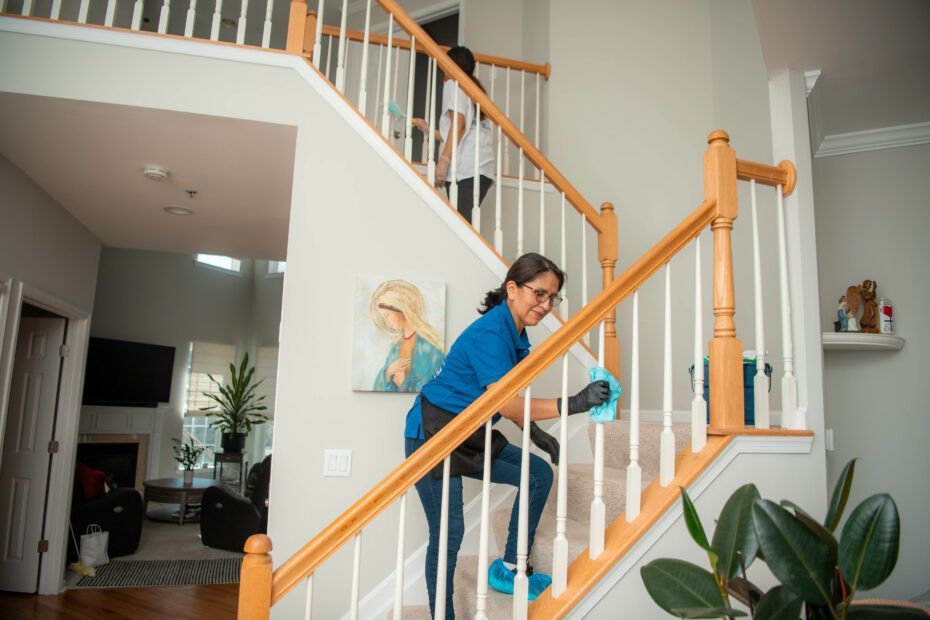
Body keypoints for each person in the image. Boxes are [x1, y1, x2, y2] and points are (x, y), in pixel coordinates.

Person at [403, 253, 610, 618]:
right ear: (512, 289)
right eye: (539, 293)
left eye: (553, 297)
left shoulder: (515, 335)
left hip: (471, 429)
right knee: (449, 532)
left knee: (538, 473)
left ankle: (512, 566)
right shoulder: (491, 333)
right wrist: (576, 403)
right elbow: (507, 403)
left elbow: (504, 398)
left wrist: (535, 433)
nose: (546, 305)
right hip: (433, 433)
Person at [413, 46, 495, 225]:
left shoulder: (453, 84)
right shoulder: (473, 90)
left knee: (461, 227)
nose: (442, 73)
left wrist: (443, 161)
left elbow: (458, 125)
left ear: (451, 65)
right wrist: (427, 128)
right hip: (482, 169)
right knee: (464, 225)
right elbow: (456, 132)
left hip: (466, 170)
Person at [371, 280, 445, 392]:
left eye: (387, 315)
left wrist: (403, 384)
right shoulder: (395, 348)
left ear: (401, 310)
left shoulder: (428, 347)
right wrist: (388, 373)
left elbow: (433, 386)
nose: (386, 322)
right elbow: (379, 388)